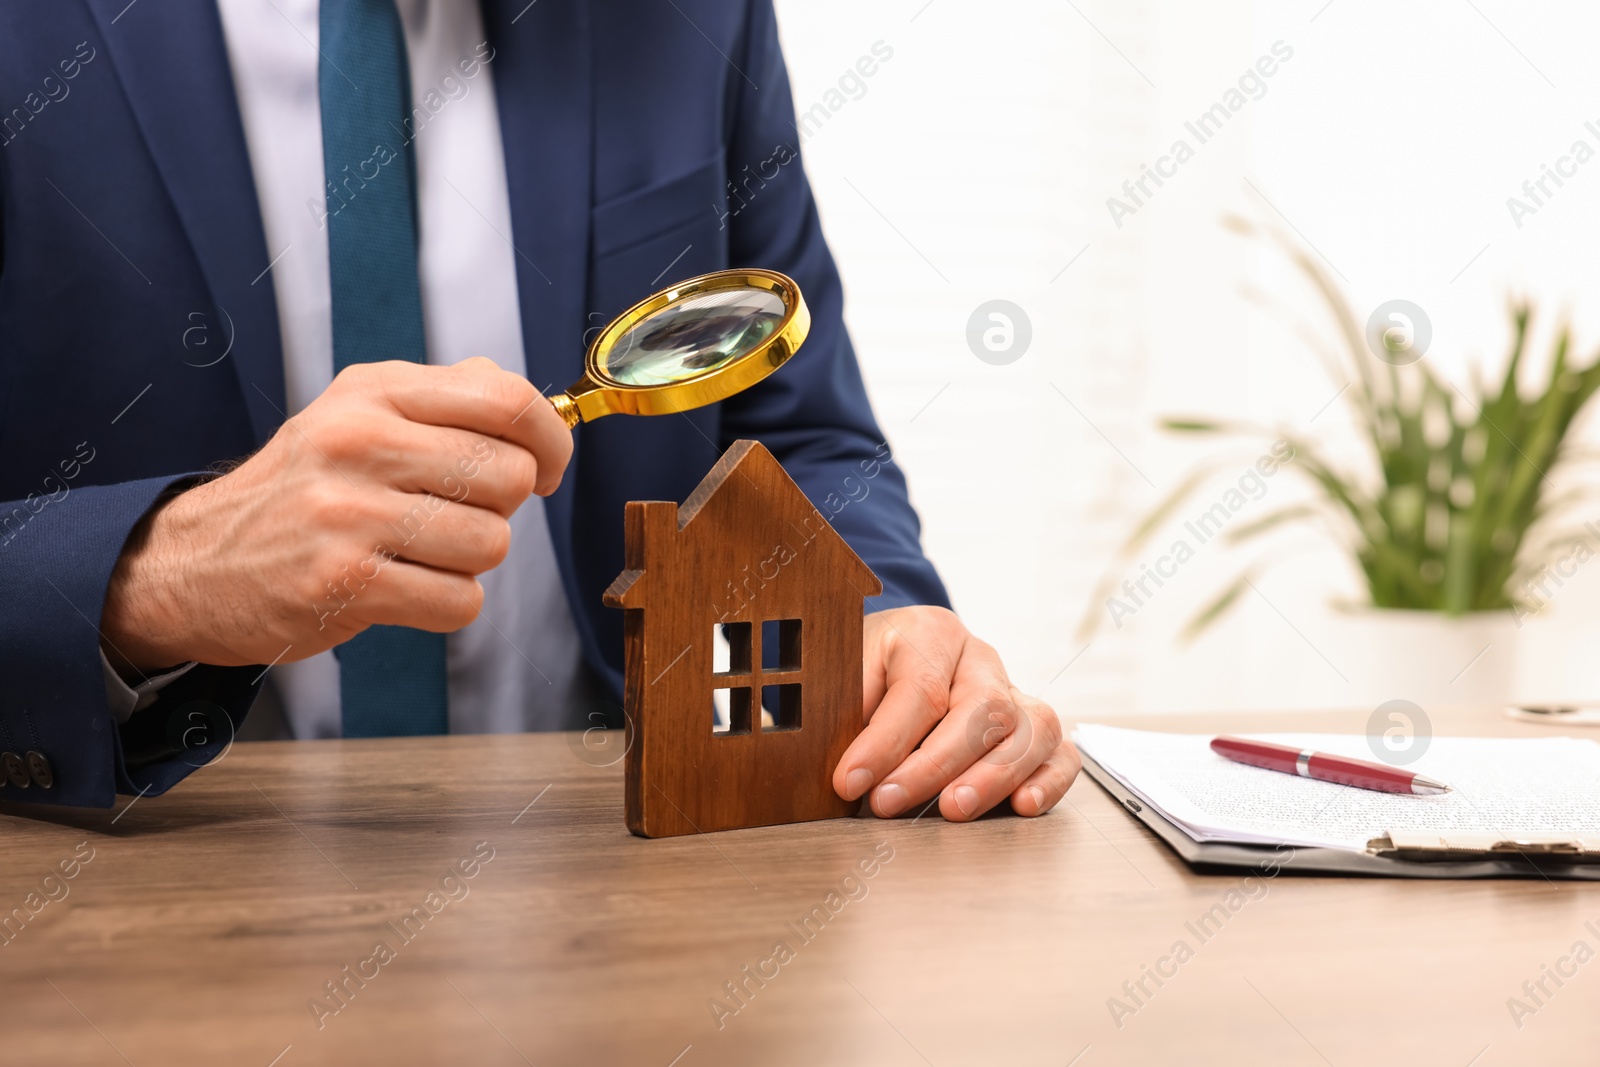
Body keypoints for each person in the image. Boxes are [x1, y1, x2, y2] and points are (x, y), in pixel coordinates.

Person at [0, 0, 1078, 820]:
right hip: (147, 867)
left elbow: (793, 426)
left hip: (620, 867)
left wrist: (875, 623)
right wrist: (160, 575)